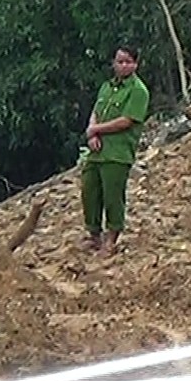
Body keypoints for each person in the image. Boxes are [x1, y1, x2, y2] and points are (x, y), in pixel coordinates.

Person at [81, 47, 150, 257]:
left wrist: (97, 130)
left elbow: (126, 121)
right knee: (89, 191)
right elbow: (96, 111)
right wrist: (92, 133)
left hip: (117, 152)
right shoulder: (107, 87)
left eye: (128, 62)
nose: (123, 65)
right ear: (113, 63)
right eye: (120, 61)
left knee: (113, 196)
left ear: (136, 64)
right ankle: (94, 235)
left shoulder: (139, 90)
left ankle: (111, 239)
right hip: (96, 152)